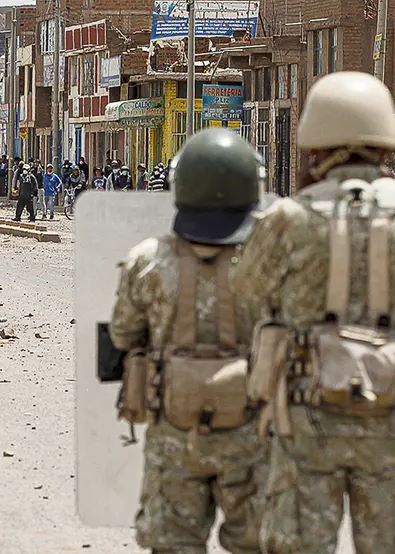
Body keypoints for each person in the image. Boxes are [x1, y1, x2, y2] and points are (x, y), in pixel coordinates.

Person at [231, 72, 395, 554]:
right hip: (392, 414)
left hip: (306, 414)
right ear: (387, 143)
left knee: (298, 543)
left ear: (314, 145)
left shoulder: (287, 218)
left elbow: (248, 290)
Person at [109, 128, 267, 554]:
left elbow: (122, 335)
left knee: (173, 543)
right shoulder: (269, 261)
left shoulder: (147, 260)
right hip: (252, 431)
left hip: (174, 429)